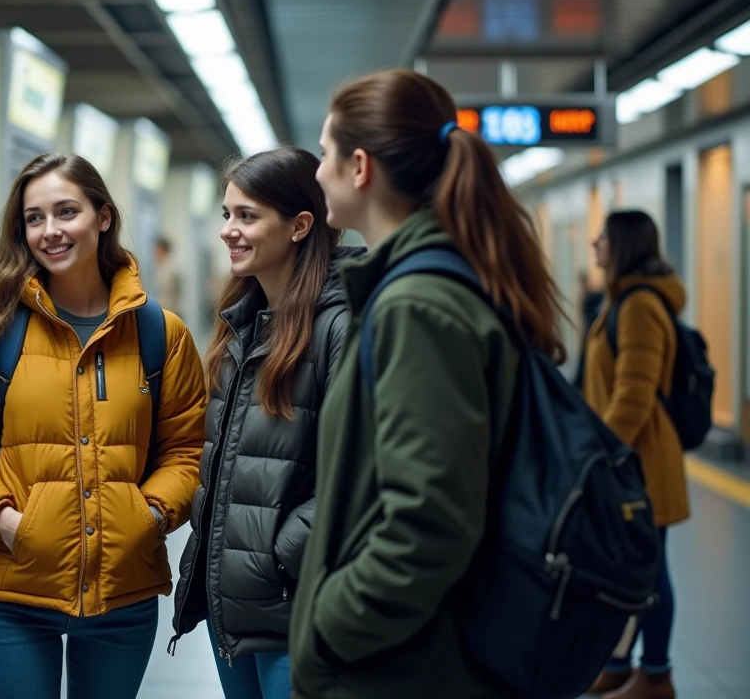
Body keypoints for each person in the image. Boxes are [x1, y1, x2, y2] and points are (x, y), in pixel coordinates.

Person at [289, 69, 566, 699]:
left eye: (326, 153)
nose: (319, 171)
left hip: (406, 669)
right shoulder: (424, 284)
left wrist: (333, 628)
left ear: (360, 167)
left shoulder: (417, 307)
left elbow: (431, 520)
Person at [0, 153, 207, 699]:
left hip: (123, 592)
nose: (49, 231)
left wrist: (147, 516)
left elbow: (189, 450)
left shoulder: (159, 334)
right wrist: (3, 521)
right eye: (34, 218)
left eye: (66, 211)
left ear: (103, 216)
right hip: (14, 593)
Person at [169, 147, 360, 699]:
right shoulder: (244, 324)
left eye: (247, 216)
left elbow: (360, 472)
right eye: (227, 214)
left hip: (296, 610)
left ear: (301, 226)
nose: (229, 230)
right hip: (235, 607)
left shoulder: (340, 327)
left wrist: (279, 554)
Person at [583, 210, 689, 699]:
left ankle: (657, 674)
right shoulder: (622, 300)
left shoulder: (641, 304)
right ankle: (623, 663)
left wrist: (599, 454)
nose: (594, 243)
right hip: (630, 457)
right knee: (631, 566)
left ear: (621, 245)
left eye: (602, 236)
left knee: (649, 571)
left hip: (641, 460)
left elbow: (634, 395)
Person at [155, 236, 182, 311]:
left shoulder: (171, 267)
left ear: (162, 249)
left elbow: (172, 291)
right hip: (165, 308)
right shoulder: (161, 265)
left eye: (156, 250)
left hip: (171, 309)